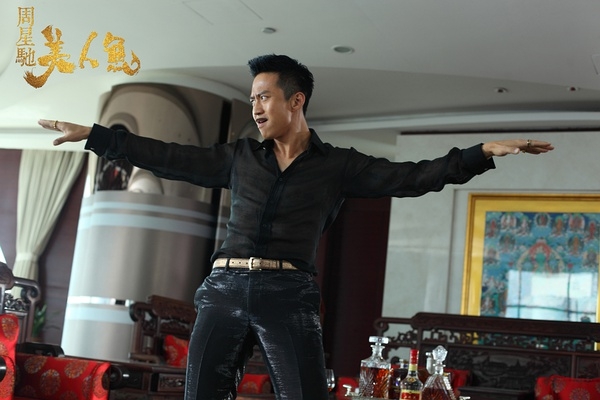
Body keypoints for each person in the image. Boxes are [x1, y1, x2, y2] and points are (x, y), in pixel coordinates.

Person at [40, 54, 554, 400]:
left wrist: (481, 153)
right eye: (252, 99)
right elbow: (169, 156)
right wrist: (97, 136)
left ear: (296, 100)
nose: (255, 107)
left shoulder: (339, 166)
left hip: (289, 295)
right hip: (223, 289)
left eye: (264, 97)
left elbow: (413, 177)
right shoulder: (239, 157)